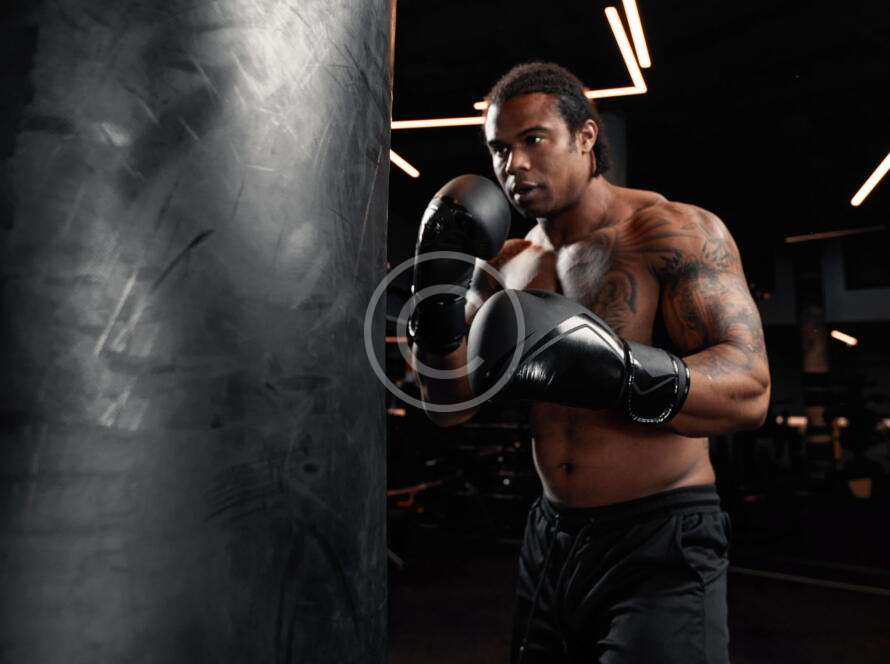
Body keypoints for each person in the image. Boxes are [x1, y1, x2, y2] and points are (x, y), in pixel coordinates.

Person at [408, 62, 770, 663]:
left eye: (533, 139)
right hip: (550, 539)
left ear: (585, 137)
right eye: (499, 149)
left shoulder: (671, 232)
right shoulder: (506, 263)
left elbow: (751, 390)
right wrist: (435, 301)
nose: (514, 164)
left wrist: (620, 370)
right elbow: (448, 407)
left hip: (660, 537)